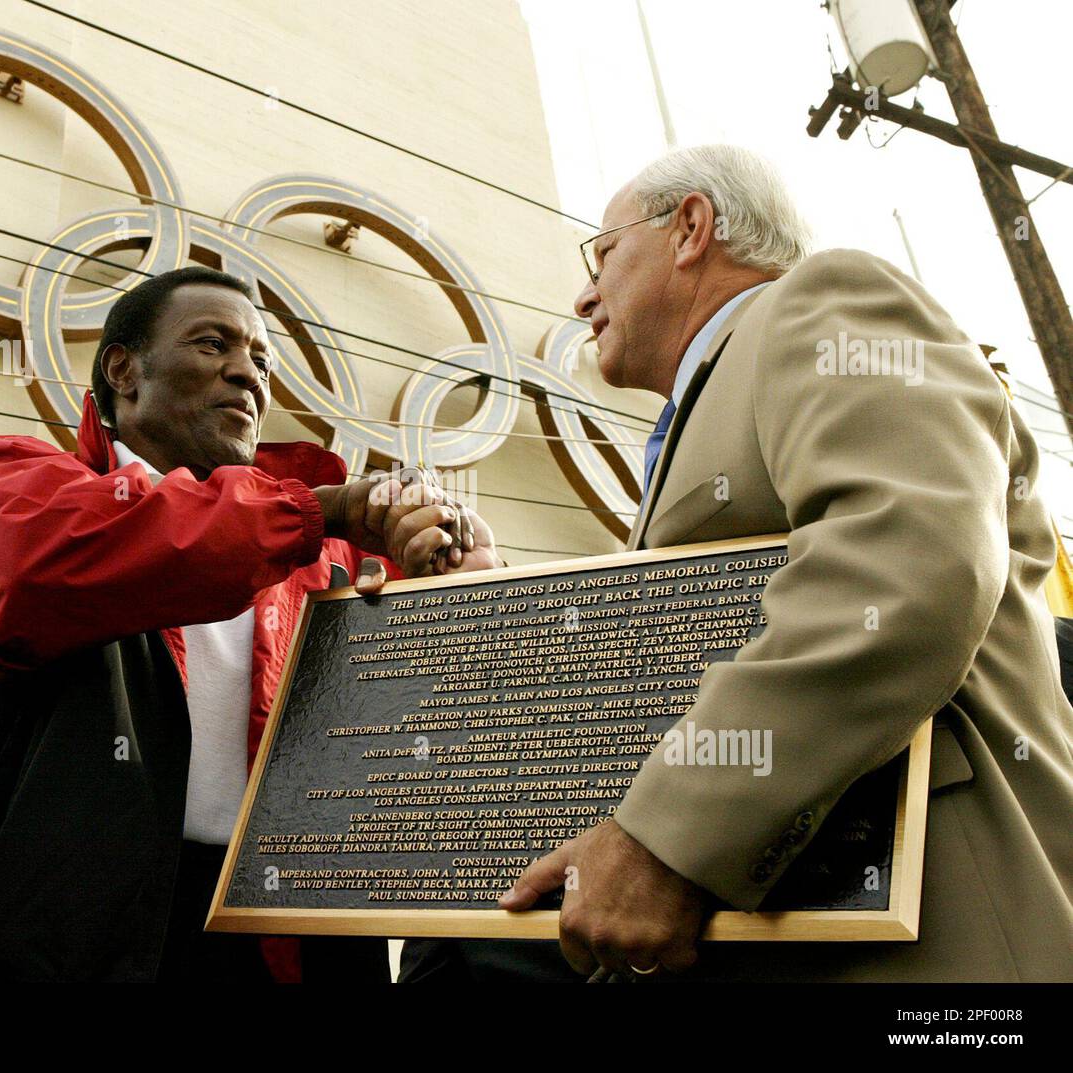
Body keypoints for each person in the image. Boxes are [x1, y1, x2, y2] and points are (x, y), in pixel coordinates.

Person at [404, 144, 1073, 983]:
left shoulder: (824, 305)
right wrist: (488, 605)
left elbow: (907, 569)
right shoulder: (701, 420)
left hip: (941, 949)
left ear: (690, 228)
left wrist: (666, 833)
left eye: (601, 255)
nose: (581, 296)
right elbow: (682, 666)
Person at [0, 266, 500, 981]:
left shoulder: (331, 558)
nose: (248, 373)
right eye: (213, 344)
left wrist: (465, 588)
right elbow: (35, 573)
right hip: (91, 940)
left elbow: (431, 758)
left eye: (262, 359)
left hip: (284, 944)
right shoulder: (22, 480)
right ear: (123, 370)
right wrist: (316, 511)